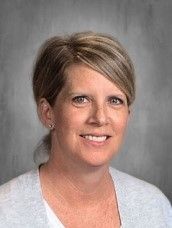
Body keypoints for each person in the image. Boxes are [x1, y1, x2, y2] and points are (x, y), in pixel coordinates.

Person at [0, 31, 171, 228]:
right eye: (81, 99)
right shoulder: (5, 212)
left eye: (115, 101)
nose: (100, 118)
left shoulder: (155, 207)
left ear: (127, 115)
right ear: (48, 112)